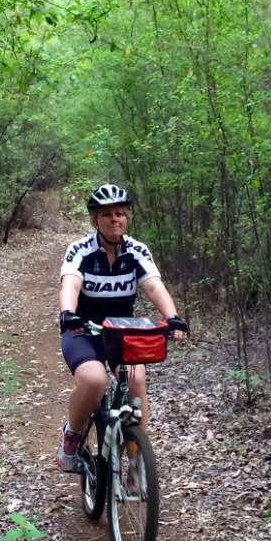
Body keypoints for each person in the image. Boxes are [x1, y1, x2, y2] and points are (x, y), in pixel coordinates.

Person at [56, 183, 189, 471]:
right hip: (83, 330)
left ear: (127, 217)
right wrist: (67, 312)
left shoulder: (137, 250)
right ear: (96, 221)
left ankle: (135, 458)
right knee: (94, 380)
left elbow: (154, 286)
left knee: (136, 381)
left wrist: (173, 316)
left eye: (120, 213)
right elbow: (71, 283)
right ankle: (72, 436)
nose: (115, 219)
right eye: (107, 215)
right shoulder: (80, 250)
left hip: (123, 333)